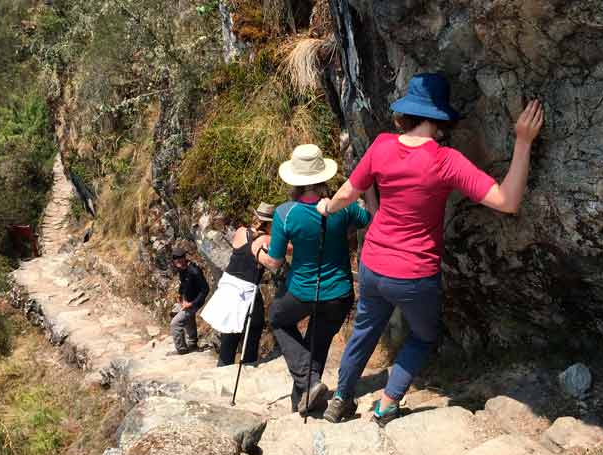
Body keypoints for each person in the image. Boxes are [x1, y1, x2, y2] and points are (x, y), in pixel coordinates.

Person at [319, 72, 545, 426]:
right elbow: (507, 201)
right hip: (413, 274)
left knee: (364, 330)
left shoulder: (380, 145)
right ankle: (387, 403)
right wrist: (522, 141)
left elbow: (348, 193)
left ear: (407, 114)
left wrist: (327, 207)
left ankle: (340, 399)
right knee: (424, 336)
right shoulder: (445, 160)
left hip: (374, 263)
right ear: (440, 120)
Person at [256, 144, 371, 415]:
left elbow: (274, 262)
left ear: (295, 182)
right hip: (341, 292)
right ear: (323, 178)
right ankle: (307, 394)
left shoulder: (285, 213)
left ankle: (308, 386)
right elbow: (368, 217)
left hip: (303, 291)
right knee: (317, 341)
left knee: (278, 318)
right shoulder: (343, 208)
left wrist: (258, 252)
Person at [201, 202, 275, 367]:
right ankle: (248, 364)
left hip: (229, 285)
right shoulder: (266, 239)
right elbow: (286, 249)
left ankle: (223, 366)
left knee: (229, 328)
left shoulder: (241, 232)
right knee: (254, 325)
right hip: (247, 289)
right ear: (270, 223)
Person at [169, 246, 210, 355]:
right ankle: (192, 343)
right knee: (180, 315)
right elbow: (184, 283)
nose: (177, 260)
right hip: (186, 301)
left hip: (194, 302)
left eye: (180, 257)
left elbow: (205, 289)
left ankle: (182, 350)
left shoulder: (194, 271)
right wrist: (180, 295)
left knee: (175, 324)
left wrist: (191, 303)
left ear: (184, 257)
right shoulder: (181, 269)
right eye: (175, 258)